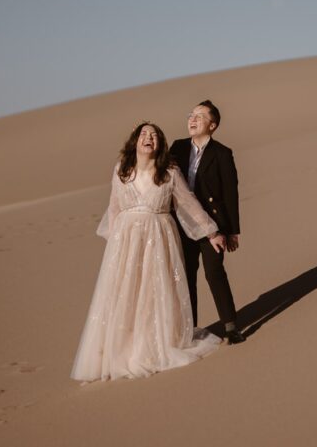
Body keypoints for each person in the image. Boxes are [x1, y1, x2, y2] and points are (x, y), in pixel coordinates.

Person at [71, 121, 228, 382]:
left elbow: (188, 204)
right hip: (126, 243)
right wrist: (114, 245)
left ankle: (153, 344)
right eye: (144, 134)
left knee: (155, 291)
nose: (149, 138)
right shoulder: (122, 170)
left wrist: (211, 231)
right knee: (127, 292)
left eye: (154, 135)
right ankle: (121, 349)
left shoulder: (169, 172)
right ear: (135, 142)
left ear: (160, 145)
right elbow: (114, 208)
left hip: (159, 238)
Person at [170, 100, 246, 344]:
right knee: (187, 275)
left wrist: (232, 231)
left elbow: (230, 193)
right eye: (191, 115)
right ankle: (190, 330)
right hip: (184, 224)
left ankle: (231, 326)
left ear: (212, 125)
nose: (192, 119)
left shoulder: (222, 153)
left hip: (213, 227)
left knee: (214, 273)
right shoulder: (178, 147)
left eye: (199, 116)